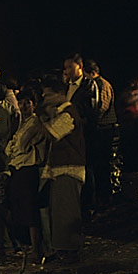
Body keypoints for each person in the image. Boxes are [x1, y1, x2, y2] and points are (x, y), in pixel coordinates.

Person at [37, 76, 87, 265]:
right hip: (59, 169)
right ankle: (63, 249)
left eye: (49, 95)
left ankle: (70, 251)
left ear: (60, 94)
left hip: (69, 168)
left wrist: (40, 119)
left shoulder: (69, 113)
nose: (46, 99)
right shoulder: (60, 112)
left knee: (67, 212)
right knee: (59, 212)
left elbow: (52, 133)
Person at [5, 88, 48, 264]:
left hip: (28, 168)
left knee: (30, 211)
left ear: (34, 104)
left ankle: (37, 249)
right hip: (18, 168)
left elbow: (19, 146)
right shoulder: (23, 123)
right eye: (21, 103)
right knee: (20, 208)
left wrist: (13, 147)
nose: (23, 106)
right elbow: (9, 148)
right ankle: (29, 247)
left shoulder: (35, 123)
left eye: (27, 103)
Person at [62, 53, 99, 218]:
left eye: (70, 67)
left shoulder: (88, 85)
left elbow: (91, 111)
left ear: (80, 66)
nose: (67, 70)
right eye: (65, 68)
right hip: (69, 134)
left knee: (86, 168)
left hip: (83, 133)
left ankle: (88, 205)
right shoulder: (67, 86)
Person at [83, 59, 118, 208]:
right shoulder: (99, 84)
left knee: (101, 164)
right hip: (102, 128)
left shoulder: (101, 84)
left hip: (104, 129)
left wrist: (90, 119)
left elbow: (101, 107)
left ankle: (105, 197)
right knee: (100, 164)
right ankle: (103, 196)